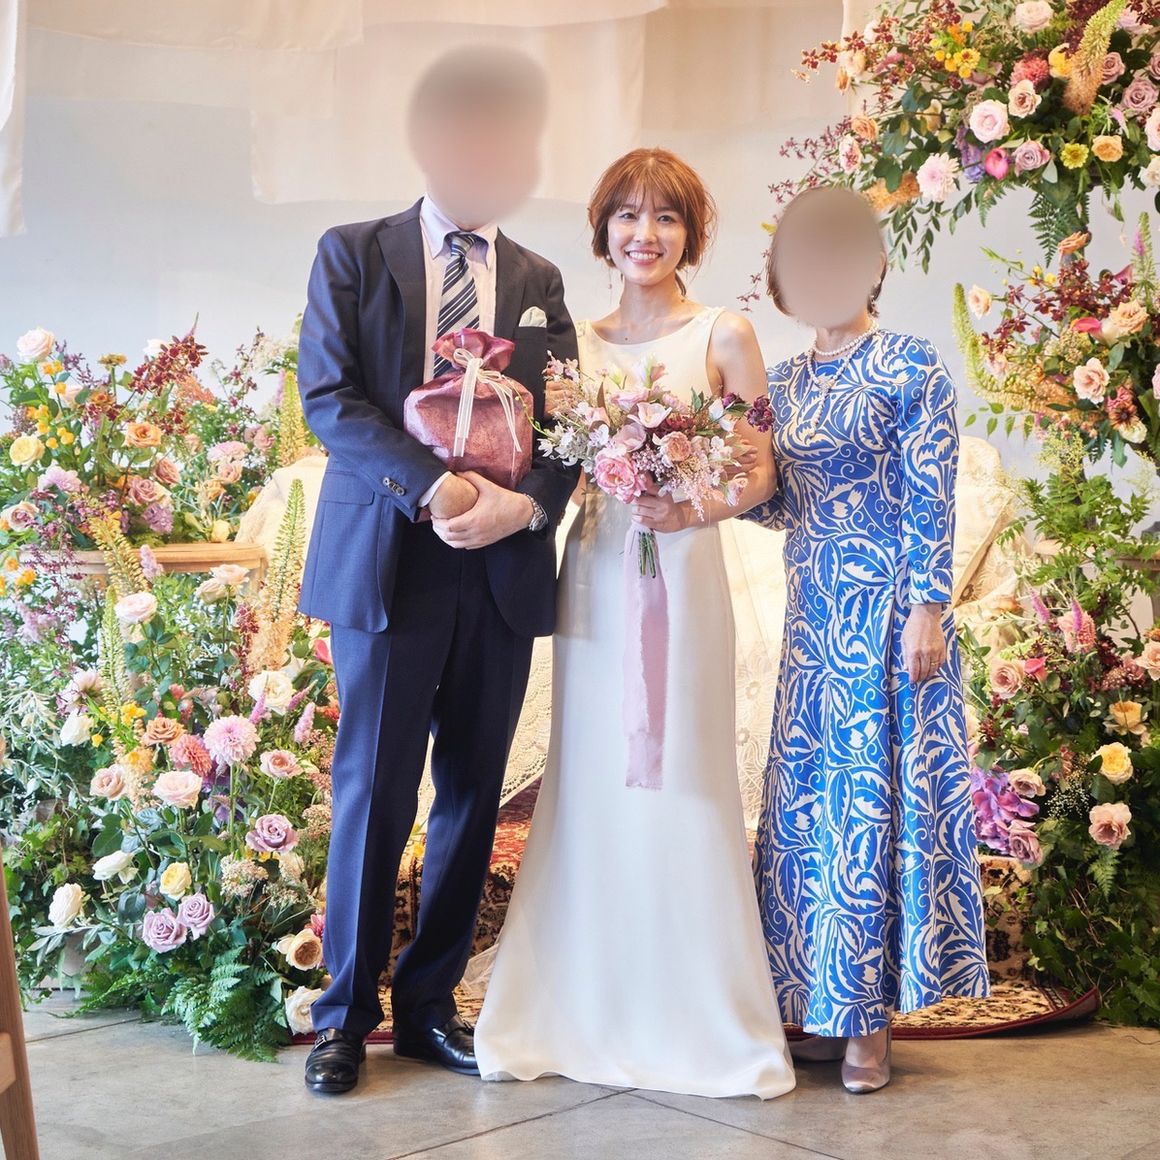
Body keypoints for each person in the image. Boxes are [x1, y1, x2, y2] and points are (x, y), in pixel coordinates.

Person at [473, 148, 795, 1101]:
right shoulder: (573, 343)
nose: (644, 235)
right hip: (597, 571)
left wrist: (686, 507)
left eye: (665, 218)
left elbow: (760, 469)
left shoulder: (726, 334)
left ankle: (697, 1012)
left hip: (682, 571)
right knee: (592, 770)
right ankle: (577, 1001)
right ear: (602, 230)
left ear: (691, 234)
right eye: (627, 216)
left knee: (681, 765)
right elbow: (550, 461)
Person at [295, 48, 580, 1095]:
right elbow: (330, 398)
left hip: (498, 566)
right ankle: (344, 1014)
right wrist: (437, 489)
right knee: (374, 790)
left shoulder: (539, 280)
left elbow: (571, 425)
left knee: (471, 789)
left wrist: (523, 504)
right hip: (389, 557)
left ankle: (428, 1006)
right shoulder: (353, 253)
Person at [744, 185, 989, 1093]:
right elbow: (775, 503)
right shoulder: (781, 382)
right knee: (814, 809)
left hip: (887, 614)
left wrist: (929, 607)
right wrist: (685, 471)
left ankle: (870, 1021)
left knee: (875, 804)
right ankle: (821, 1002)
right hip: (814, 615)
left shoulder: (912, 364)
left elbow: (932, 491)